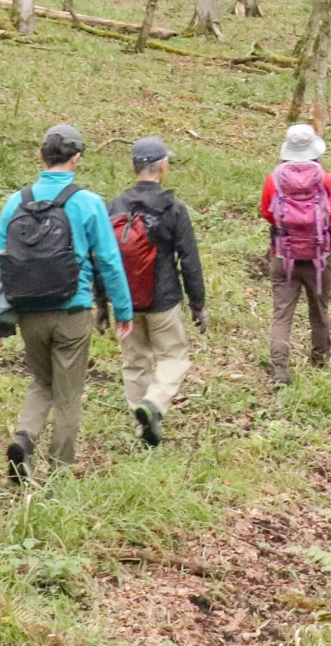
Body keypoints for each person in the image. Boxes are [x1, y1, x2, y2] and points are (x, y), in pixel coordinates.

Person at [0, 123, 133, 481]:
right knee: (68, 395)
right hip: (72, 310)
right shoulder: (87, 202)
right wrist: (123, 311)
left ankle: (24, 438)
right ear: (77, 158)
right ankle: (57, 476)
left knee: (42, 382)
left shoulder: (16, 201)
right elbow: (110, 261)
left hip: (28, 311)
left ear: (40, 156)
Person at [108, 137, 207, 448]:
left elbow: (104, 255)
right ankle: (153, 404)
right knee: (174, 357)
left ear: (132, 167)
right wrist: (198, 304)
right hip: (163, 300)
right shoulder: (172, 207)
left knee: (134, 362)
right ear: (163, 167)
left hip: (126, 300)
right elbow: (188, 258)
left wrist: (102, 302)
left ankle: (142, 430)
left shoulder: (115, 205)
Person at [259, 123, 331, 385]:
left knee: (282, 313)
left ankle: (280, 368)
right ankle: (320, 359)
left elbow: (267, 211)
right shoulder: (326, 179)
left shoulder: (274, 178)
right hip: (318, 256)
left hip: (283, 255)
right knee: (319, 309)